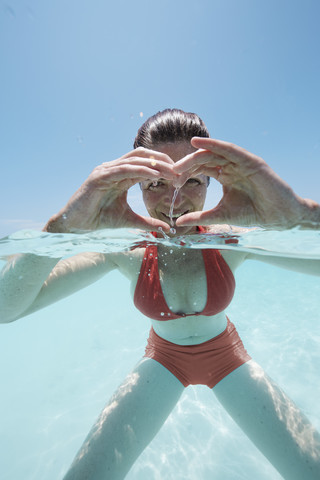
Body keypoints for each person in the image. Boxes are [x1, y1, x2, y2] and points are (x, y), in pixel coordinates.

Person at [1, 109, 320, 480]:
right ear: (134, 185)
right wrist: (58, 230)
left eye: (192, 182)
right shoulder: (127, 251)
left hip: (227, 355)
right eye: (156, 183)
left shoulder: (230, 238)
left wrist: (301, 215)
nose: (175, 201)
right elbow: (7, 309)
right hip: (163, 360)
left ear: (213, 182)